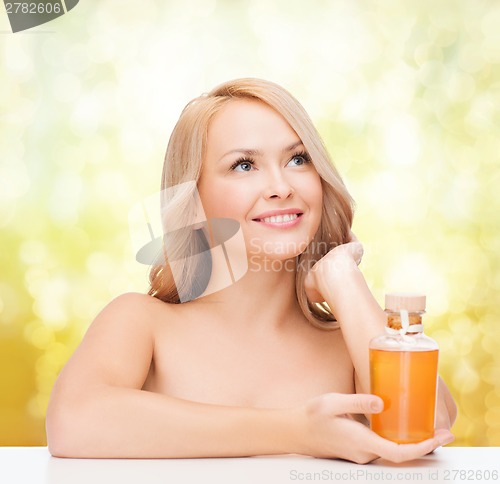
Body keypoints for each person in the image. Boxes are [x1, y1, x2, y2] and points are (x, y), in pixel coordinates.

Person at [46, 78, 457, 463]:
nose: (281, 186)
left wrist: (343, 278)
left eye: (299, 159)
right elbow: (73, 421)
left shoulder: (351, 344)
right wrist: (297, 432)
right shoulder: (142, 323)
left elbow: (428, 428)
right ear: (194, 198)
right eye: (244, 165)